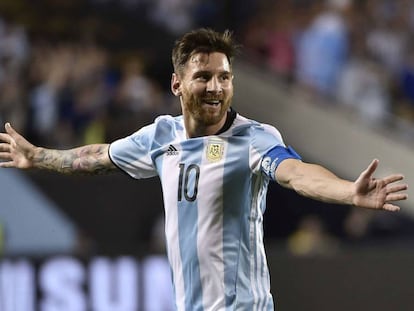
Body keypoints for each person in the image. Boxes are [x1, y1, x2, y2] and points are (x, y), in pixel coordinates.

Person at [0, 28, 408, 310]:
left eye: (225, 77)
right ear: (178, 84)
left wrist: (346, 192)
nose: (216, 87)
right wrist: (38, 157)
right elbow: (95, 158)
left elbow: (297, 174)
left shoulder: (255, 139)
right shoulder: (161, 136)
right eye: (204, 77)